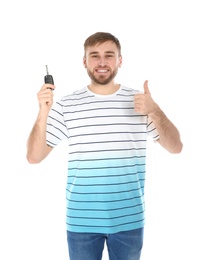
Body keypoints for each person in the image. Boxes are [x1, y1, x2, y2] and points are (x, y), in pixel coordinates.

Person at [26, 32, 183, 260]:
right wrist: (43, 112)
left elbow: (176, 147)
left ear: (120, 60)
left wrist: (155, 110)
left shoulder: (140, 102)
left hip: (129, 220)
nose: (102, 62)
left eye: (109, 55)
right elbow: (34, 157)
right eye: (95, 56)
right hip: (81, 222)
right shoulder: (67, 105)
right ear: (84, 62)